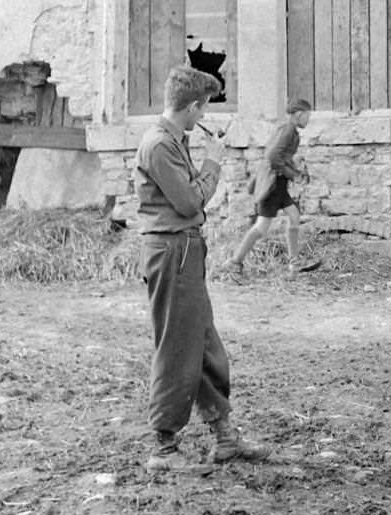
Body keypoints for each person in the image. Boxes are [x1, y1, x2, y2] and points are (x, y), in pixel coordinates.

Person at [135, 65, 266, 471]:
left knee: (204, 344)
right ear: (192, 107)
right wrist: (213, 163)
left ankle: (224, 435)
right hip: (172, 252)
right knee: (177, 347)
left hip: (185, 252)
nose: (203, 119)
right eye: (203, 110)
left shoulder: (173, 141)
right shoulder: (159, 145)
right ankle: (164, 448)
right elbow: (191, 203)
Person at [225, 98, 320, 278]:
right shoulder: (288, 131)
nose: (308, 120)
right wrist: (293, 174)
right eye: (307, 116)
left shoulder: (288, 130)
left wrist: (295, 171)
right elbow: (272, 156)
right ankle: (234, 262)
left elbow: (281, 156)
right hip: (273, 185)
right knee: (261, 227)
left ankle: (294, 263)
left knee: (294, 216)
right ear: (299, 115)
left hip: (279, 183)